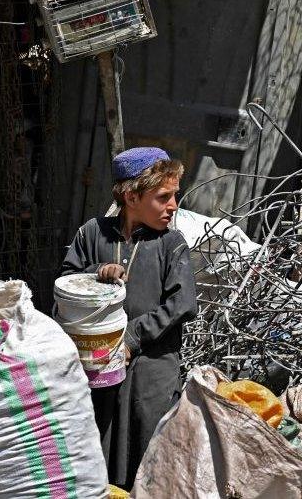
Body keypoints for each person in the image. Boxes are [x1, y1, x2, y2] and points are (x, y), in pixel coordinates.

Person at [58, 146, 198, 489]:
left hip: (152, 367)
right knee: (96, 447)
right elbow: (66, 285)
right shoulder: (93, 233)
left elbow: (183, 304)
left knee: (148, 452)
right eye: (162, 197)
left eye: (174, 196)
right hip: (99, 365)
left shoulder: (172, 244)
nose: (173, 206)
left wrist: (132, 339)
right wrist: (95, 273)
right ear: (131, 196)